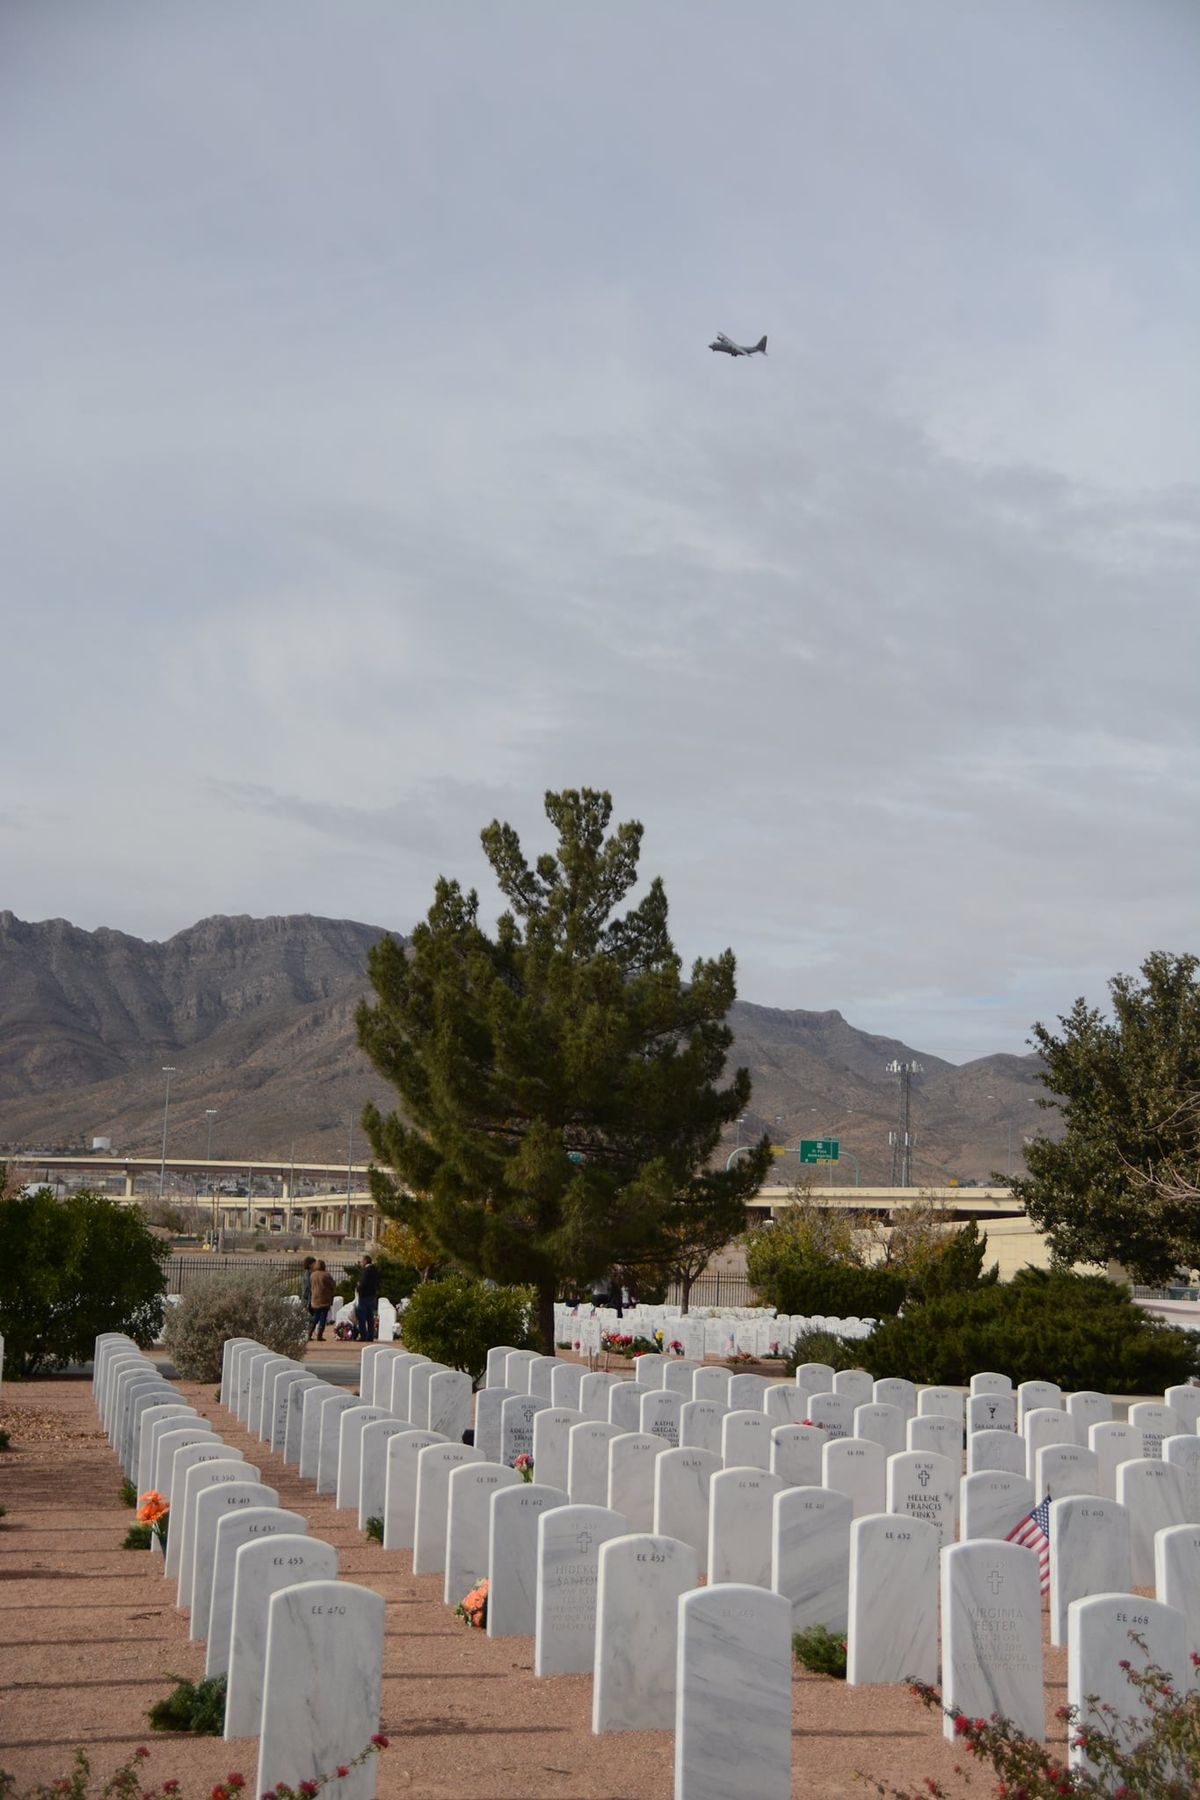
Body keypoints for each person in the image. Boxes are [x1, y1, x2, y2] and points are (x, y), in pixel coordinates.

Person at [355, 1253, 381, 1343]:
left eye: (361, 1261)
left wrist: (358, 1288)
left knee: (361, 1316)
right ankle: (370, 1335)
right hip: (372, 1295)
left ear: (365, 1261)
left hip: (364, 1296)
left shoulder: (366, 1271)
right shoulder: (375, 1270)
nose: (360, 1263)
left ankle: (363, 1335)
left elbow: (363, 1283)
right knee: (370, 1317)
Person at [309, 1259, 335, 1341]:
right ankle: (319, 1334)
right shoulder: (326, 1275)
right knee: (323, 1317)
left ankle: (309, 1332)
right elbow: (332, 1285)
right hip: (325, 1298)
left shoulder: (312, 1275)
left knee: (315, 1316)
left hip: (315, 1299)